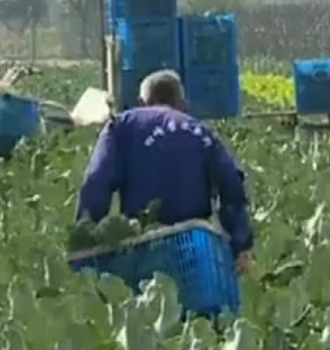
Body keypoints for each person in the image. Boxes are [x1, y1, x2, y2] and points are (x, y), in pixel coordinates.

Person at [75, 70, 254, 275]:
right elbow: (232, 185)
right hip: (193, 250)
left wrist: (86, 237)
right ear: (184, 105)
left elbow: (96, 181)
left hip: (141, 246)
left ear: (141, 103)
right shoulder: (203, 133)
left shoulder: (121, 126)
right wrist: (240, 246)